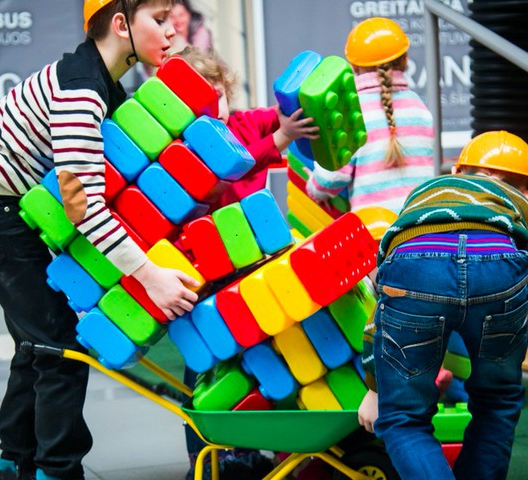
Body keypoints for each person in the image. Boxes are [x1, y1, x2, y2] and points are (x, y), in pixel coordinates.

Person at [0, 1, 199, 479]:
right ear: (122, 25)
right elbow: (83, 207)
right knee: (62, 341)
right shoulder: (80, 92)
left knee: (36, 339)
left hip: (5, 204)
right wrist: (151, 278)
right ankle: (58, 469)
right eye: (160, 20)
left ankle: (14, 460)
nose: (172, 31)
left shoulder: (106, 82)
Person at [356, 131, 528, 480]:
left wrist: (375, 384)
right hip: (499, 268)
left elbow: (387, 292)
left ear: (458, 171)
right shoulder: (524, 209)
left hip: (417, 265)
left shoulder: (424, 195)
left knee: (403, 418)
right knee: (497, 403)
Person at [175, 46, 319, 480]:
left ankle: (261, 446)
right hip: (211, 272)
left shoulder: (238, 124)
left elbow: (273, 118)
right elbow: (224, 176)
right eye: (198, 96)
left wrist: (297, 109)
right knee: (206, 360)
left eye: (216, 90)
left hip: (258, 265)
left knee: (263, 356)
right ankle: (209, 451)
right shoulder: (183, 148)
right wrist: (278, 140)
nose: (212, 103)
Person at [305, 17, 435, 215]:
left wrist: (315, 187)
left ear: (353, 67)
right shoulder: (419, 106)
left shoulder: (352, 110)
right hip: (420, 227)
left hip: (375, 231)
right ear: (406, 60)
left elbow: (333, 176)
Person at [178, 46, 320, 210]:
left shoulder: (245, 122)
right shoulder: (189, 150)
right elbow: (237, 164)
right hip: (219, 229)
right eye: (201, 102)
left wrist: (298, 99)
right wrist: (284, 135)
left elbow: (280, 113)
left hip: (257, 223)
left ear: (226, 89)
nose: (215, 109)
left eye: (218, 96)